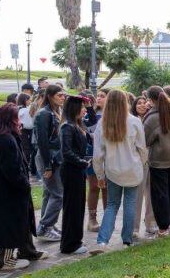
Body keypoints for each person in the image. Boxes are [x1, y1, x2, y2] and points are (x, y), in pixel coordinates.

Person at [0, 104, 46, 272]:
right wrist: (24, 184)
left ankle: (27, 251)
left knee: (20, 222)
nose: (20, 120)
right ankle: (4, 262)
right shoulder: (5, 139)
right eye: (17, 117)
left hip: (0, 191)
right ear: (11, 119)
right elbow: (12, 170)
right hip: (9, 192)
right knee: (10, 226)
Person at [91, 90, 146, 254]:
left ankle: (102, 241)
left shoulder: (102, 124)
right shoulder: (135, 121)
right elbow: (142, 148)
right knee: (130, 203)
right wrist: (140, 164)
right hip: (132, 169)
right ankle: (127, 240)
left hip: (113, 170)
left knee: (112, 205)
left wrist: (99, 174)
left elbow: (97, 154)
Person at [143, 86, 170, 237]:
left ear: (151, 100)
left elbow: (145, 140)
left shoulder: (152, 118)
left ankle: (163, 228)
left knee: (161, 194)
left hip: (159, 159)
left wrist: (148, 113)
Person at [33, 84, 66, 242]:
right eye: (59, 95)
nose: (62, 97)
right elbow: (42, 141)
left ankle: (46, 226)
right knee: (58, 194)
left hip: (55, 156)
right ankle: (46, 225)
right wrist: (47, 165)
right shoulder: (44, 114)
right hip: (48, 157)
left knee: (49, 192)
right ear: (50, 96)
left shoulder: (56, 112)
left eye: (63, 95)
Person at [59, 96, 91, 254]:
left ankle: (75, 240)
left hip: (78, 170)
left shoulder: (78, 125)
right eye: (82, 107)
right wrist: (82, 162)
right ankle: (70, 244)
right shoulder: (67, 127)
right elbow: (66, 152)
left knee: (78, 206)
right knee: (72, 208)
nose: (85, 109)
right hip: (72, 171)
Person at [130, 97, 157, 238]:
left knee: (151, 192)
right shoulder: (131, 120)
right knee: (138, 194)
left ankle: (150, 222)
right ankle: (134, 227)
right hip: (137, 161)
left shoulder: (151, 119)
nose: (141, 105)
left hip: (152, 159)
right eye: (138, 103)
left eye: (143, 103)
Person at [84, 88, 109, 232]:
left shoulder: (113, 114)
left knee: (106, 187)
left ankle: (107, 217)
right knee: (94, 186)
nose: (98, 98)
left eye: (102, 96)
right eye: (98, 96)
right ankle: (92, 219)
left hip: (110, 154)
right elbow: (90, 131)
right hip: (93, 152)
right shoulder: (91, 115)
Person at [15, 93, 36, 181]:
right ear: (24, 100)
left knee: (25, 148)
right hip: (24, 130)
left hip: (23, 130)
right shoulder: (24, 110)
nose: (30, 101)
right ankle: (26, 165)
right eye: (28, 100)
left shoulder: (19, 109)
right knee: (26, 148)